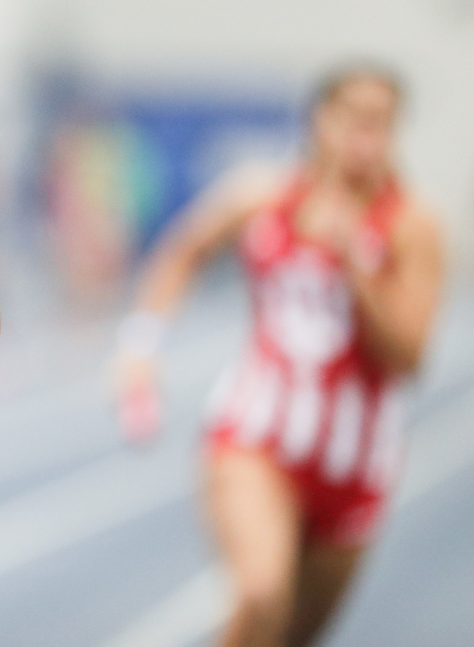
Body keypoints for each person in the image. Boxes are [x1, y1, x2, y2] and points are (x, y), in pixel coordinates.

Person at [111, 66, 444, 647]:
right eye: (353, 118)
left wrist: (358, 266)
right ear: (321, 120)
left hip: (356, 465)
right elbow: (183, 251)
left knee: (290, 635)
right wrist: (141, 345)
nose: (365, 135)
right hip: (256, 438)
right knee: (262, 596)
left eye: (381, 122)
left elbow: (409, 358)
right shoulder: (263, 194)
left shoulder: (413, 226)